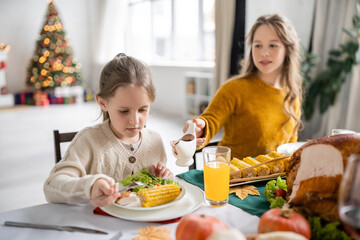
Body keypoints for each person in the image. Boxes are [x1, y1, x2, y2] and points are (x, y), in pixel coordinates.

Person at [44, 53, 173, 207]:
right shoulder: (88, 141)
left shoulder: (155, 141)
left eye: (143, 110)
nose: (135, 120)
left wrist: (163, 179)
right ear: (102, 103)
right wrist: (90, 187)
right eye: (124, 111)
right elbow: (51, 187)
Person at [183, 14, 303, 159]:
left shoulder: (292, 96)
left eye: (273, 45)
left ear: (287, 50)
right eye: (257, 45)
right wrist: (199, 126)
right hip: (233, 177)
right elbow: (210, 120)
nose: (264, 53)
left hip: (272, 179)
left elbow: (290, 149)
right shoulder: (234, 88)